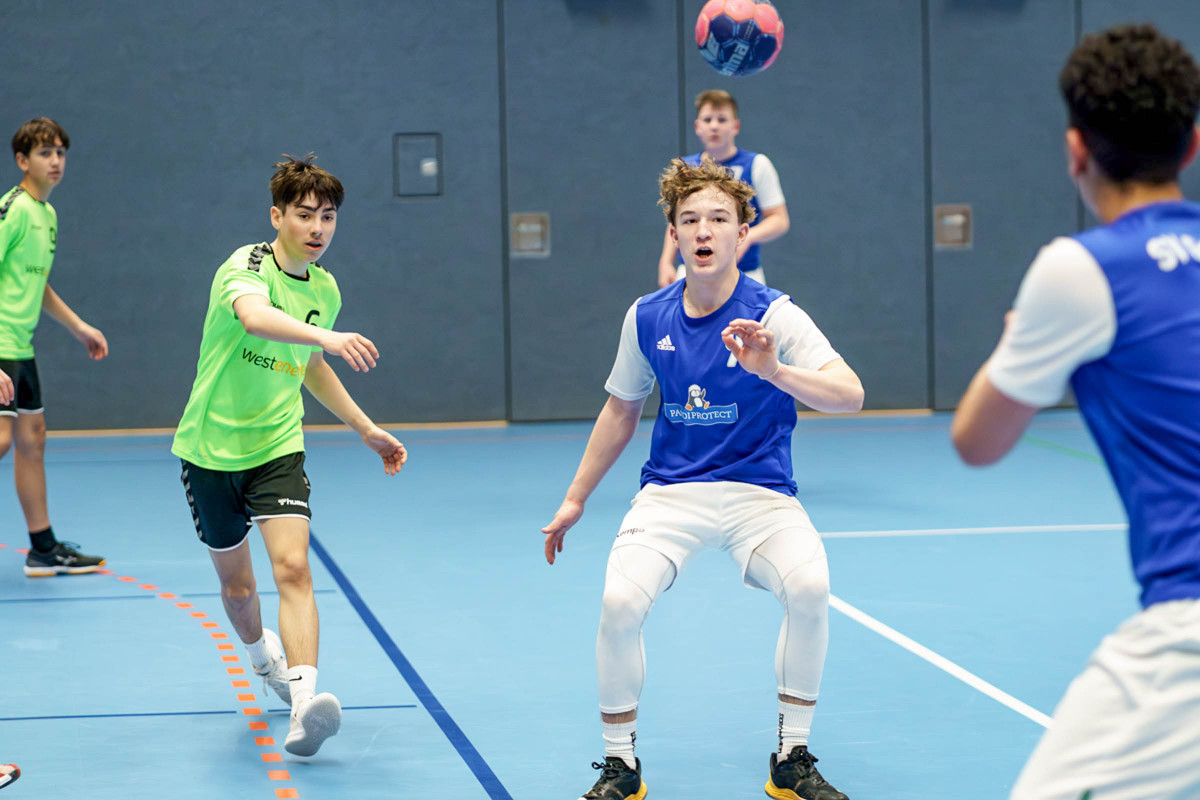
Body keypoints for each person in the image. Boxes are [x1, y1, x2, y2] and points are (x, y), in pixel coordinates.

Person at [544, 157, 862, 800]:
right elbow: (621, 409)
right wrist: (576, 498)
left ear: (743, 233)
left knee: (810, 588)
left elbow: (850, 395)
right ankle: (620, 766)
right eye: (689, 220)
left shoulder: (776, 315)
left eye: (719, 218)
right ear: (674, 234)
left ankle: (792, 758)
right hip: (671, 492)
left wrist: (775, 372)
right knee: (618, 603)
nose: (704, 230)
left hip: (760, 493)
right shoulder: (646, 316)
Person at [951, 24, 1200, 800]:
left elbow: (977, 441)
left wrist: (1017, 342)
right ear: (1192, 145)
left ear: (1075, 151)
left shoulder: (1082, 268)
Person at [171, 155, 407, 757]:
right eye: (304, 215)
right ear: (277, 217)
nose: (317, 228)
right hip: (210, 450)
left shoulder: (325, 289)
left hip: (278, 445)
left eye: (328, 217)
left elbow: (310, 366)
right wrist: (326, 335)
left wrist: (365, 429)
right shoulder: (246, 265)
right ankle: (264, 661)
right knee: (239, 591)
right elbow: (255, 319)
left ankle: (304, 705)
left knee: (295, 568)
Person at [0, 117, 107, 577]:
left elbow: (35, 282)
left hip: (20, 347)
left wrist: (78, 326)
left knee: (32, 441)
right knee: (2, 440)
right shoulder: (13, 210)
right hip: (0, 346)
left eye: (60, 152)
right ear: (22, 160)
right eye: (45, 152)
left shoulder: (47, 215)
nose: (56, 160)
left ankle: (43, 548)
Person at [656, 90, 790, 288]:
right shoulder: (685, 168)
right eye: (707, 119)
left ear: (735, 126)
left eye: (722, 119)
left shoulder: (757, 165)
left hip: (745, 272)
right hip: (692, 271)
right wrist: (666, 260)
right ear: (697, 126)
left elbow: (779, 219)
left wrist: (748, 236)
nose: (714, 126)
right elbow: (677, 220)